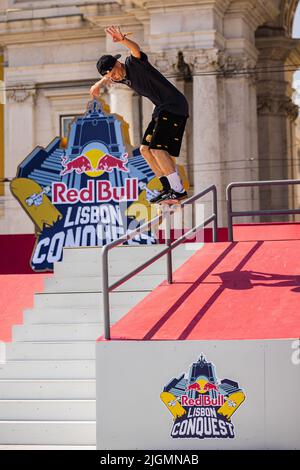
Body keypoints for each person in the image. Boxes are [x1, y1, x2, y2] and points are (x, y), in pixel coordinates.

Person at [90, 25, 189, 204]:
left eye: (114, 74)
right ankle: (167, 187)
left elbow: (135, 50)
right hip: (162, 109)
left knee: (157, 148)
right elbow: (108, 75)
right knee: (144, 150)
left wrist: (123, 40)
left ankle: (178, 190)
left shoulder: (134, 63)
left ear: (118, 64)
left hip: (174, 105)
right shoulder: (116, 75)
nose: (115, 78)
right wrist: (98, 84)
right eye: (111, 77)